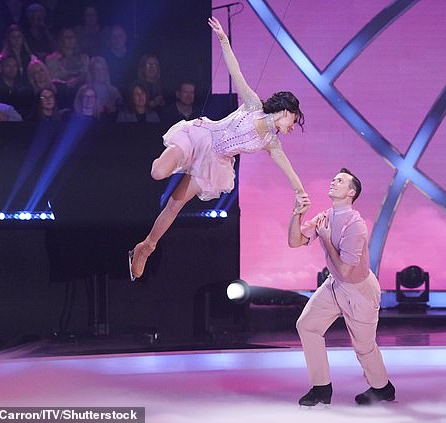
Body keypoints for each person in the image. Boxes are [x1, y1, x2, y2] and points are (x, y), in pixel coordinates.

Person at [128, 16, 307, 280]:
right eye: (294, 121)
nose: (293, 128)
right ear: (286, 111)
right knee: (157, 172)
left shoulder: (271, 142)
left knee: (174, 206)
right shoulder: (253, 106)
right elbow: (236, 72)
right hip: (201, 137)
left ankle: (145, 247)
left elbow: (289, 172)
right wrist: (223, 39)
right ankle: (176, 163)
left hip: (214, 162)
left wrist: (300, 193)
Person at [289, 169, 395, 407]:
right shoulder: (325, 216)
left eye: (340, 180)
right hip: (335, 285)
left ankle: (382, 387)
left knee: (364, 347)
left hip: (360, 291)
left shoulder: (356, 225)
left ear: (351, 192)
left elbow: (347, 270)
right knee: (307, 326)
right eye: (333, 178)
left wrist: (326, 239)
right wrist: (297, 214)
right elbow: (295, 241)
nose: (333, 181)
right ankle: (321, 388)